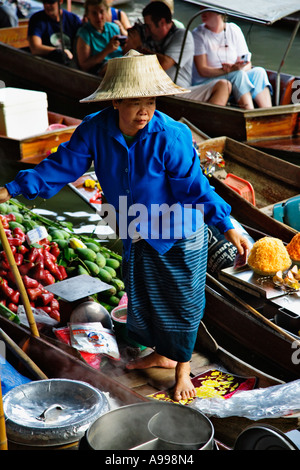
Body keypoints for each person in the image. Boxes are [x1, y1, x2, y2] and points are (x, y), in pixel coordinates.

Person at [0, 50, 249, 402]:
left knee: (182, 300)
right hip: (132, 224)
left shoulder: (171, 136)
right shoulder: (95, 129)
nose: (144, 110)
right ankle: (161, 352)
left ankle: (181, 369)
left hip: (179, 228)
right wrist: (11, 188)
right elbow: (61, 167)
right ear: (115, 101)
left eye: (150, 101)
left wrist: (227, 225)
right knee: (144, 294)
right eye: (135, 102)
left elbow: (195, 188)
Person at [127, 2, 232, 106]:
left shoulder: (182, 36)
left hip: (177, 92)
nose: (147, 30)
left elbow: (164, 64)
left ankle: (209, 121)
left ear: (162, 22)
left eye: (149, 26)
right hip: (150, 90)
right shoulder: (147, 38)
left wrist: (139, 48)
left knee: (224, 85)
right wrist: (130, 44)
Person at [192, 9, 272, 109]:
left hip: (233, 74)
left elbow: (247, 63)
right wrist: (228, 71)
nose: (202, 12)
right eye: (201, 9)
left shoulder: (233, 29)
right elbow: (202, 70)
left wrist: (238, 67)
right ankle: (250, 113)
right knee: (238, 75)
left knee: (259, 72)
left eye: (207, 10)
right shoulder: (198, 34)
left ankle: (268, 113)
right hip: (207, 81)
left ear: (218, 12)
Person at [76, 0, 123, 75]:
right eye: (94, 13)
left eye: (101, 12)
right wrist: (106, 51)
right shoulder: (85, 33)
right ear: (88, 15)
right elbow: (84, 66)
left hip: (121, 64)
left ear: (107, 11)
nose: (99, 17)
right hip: (99, 70)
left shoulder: (114, 28)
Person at [28, 0, 82, 65]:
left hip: (70, 62)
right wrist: (61, 51)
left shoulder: (73, 19)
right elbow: (35, 48)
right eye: (44, 2)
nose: (47, 5)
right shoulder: (36, 19)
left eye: (51, 2)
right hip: (48, 62)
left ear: (60, 1)